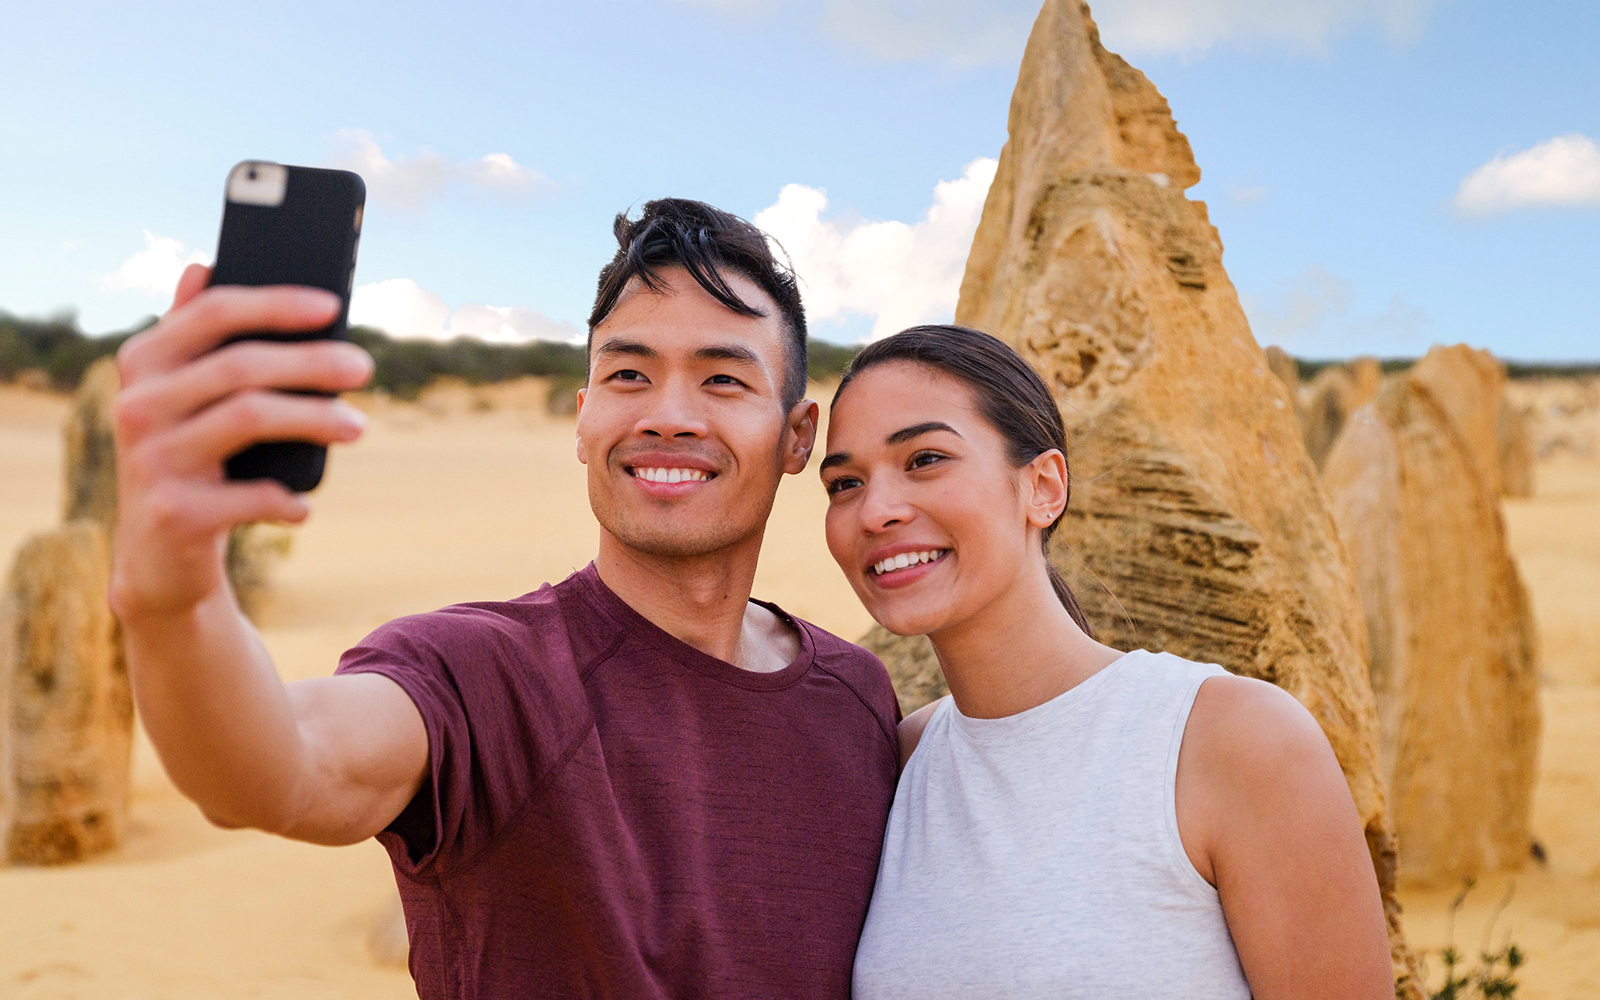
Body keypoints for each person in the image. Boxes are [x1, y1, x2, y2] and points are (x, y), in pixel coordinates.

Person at [109, 198, 900, 998]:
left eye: (724, 379)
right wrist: (174, 596)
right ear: (585, 420)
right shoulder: (481, 674)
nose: (667, 416)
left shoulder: (858, 699)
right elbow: (279, 766)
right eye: (629, 375)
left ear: (798, 435)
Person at [819, 325, 1396, 1000]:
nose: (876, 511)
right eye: (845, 482)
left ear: (1043, 487)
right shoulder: (900, 764)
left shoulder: (1231, 742)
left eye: (925, 459)